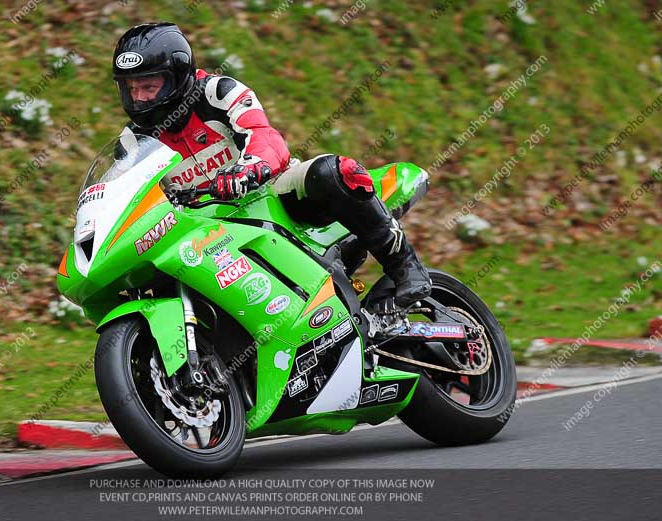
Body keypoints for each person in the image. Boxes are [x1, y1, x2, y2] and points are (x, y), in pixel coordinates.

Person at [113, 22, 431, 308]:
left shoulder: (216, 93)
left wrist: (249, 168)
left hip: (267, 196)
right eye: (132, 88)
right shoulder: (132, 143)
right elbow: (122, 204)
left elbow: (264, 136)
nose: (139, 98)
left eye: (149, 87)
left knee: (330, 172)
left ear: (178, 78)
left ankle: (405, 267)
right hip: (202, 232)